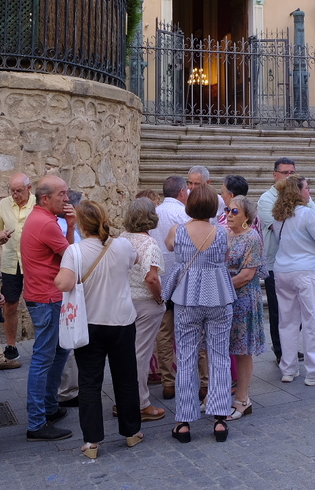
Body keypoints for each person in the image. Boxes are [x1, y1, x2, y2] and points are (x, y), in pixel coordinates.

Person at [55, 200, 142, 460]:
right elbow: (135, 260)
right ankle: (131, 432)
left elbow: (64, 282)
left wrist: (57, 275)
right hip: (122, 322)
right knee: (126, 379)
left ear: (81, 224)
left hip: (90, 324)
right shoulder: (122, 246)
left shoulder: (75, 251)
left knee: (89, 383)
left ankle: (92, 442)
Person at [163, 184, 235, 444]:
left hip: (187, 297)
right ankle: (219, 418)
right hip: (218, 294)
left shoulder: (177, 230)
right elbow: (224, 256)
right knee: (218, 355)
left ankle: (183, 420)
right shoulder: (221, 232)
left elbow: (170, 247)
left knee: (186, 356)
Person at [267, 176, 315, 386]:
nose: (310, 192)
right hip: (306, 271)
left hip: (282, 270)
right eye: (307, 188)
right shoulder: (307, 214)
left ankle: (288, 368)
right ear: (297, 192)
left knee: (287, 321)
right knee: (312, 320)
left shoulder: (278, 217)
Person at [21, 175, 76, 441]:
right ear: (46, 198)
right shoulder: (46, 224)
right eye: (62, 194)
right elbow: (72, 256)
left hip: (46, 297)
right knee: (44, 358)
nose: (67, 199)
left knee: (59, 352)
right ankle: (36, 422)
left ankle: (50, 407)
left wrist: (71, 223)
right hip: (47, 299)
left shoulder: (41, 219)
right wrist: (73, 226)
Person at [256, 158, 315, 361]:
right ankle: (281, 352)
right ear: (275, 175)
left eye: (292, 172)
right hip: (276, 261)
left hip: (301, 262)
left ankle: (289, 350)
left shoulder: (301, 193)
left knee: (299, 312)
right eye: (285, 173)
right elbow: (279, 226)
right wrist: (305, 219)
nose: (289, 176)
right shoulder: (266, 199)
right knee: (279, 312)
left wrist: (305, 218)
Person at [120, 199, 167, 422]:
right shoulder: (149, 244)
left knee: (125, 354)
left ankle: (123, 401)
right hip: (145, 303)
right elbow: (151, 278)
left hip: (124, 301)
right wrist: (159, 298)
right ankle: (140, 403)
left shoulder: (121, 238)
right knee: (141, 355)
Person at [224, 196, 265, 419]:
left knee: (242, 350)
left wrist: (220, 288)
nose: (229, 214)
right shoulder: (225, 234)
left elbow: (247, 275)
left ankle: (243, 400)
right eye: (228, 210)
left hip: (243, 300)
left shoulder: (251, 238)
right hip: (225, 299)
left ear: (247, 217)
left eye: (235, 212)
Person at [0, 173, 34, 370]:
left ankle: (42, 343)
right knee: (10, 304)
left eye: (19, 191)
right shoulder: (4, 205)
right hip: (10, 261)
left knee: (37, 303)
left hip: (33, 262)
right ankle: (11, 345)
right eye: (12, 191)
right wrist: (0, 236)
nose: (15, 195)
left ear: (29, 189)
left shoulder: (37, 203)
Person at [151, 176, 188, 400]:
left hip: (161, 281)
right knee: (187, 331)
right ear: (182, 192)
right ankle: (190, 377)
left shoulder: (154, 213)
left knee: (164, 334)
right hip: (183, 281)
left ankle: (168, 381)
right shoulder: (185, 215)